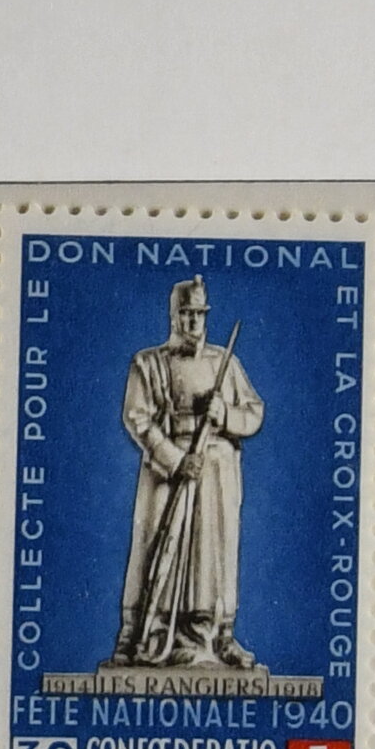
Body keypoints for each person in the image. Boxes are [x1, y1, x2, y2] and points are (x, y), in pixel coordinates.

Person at [111, 272, 265, 667]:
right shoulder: (149, 363)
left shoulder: (224, 362)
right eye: (186, 313)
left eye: (199, 313)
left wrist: (224, 413)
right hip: (168, 467)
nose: (194, 321)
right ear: (174, 316)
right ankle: (143, 635)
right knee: (156, 544)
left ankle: (216, 635)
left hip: (216, 469)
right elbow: (137, 418)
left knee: (214, 551)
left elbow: (254, 412)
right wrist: (176, 460)